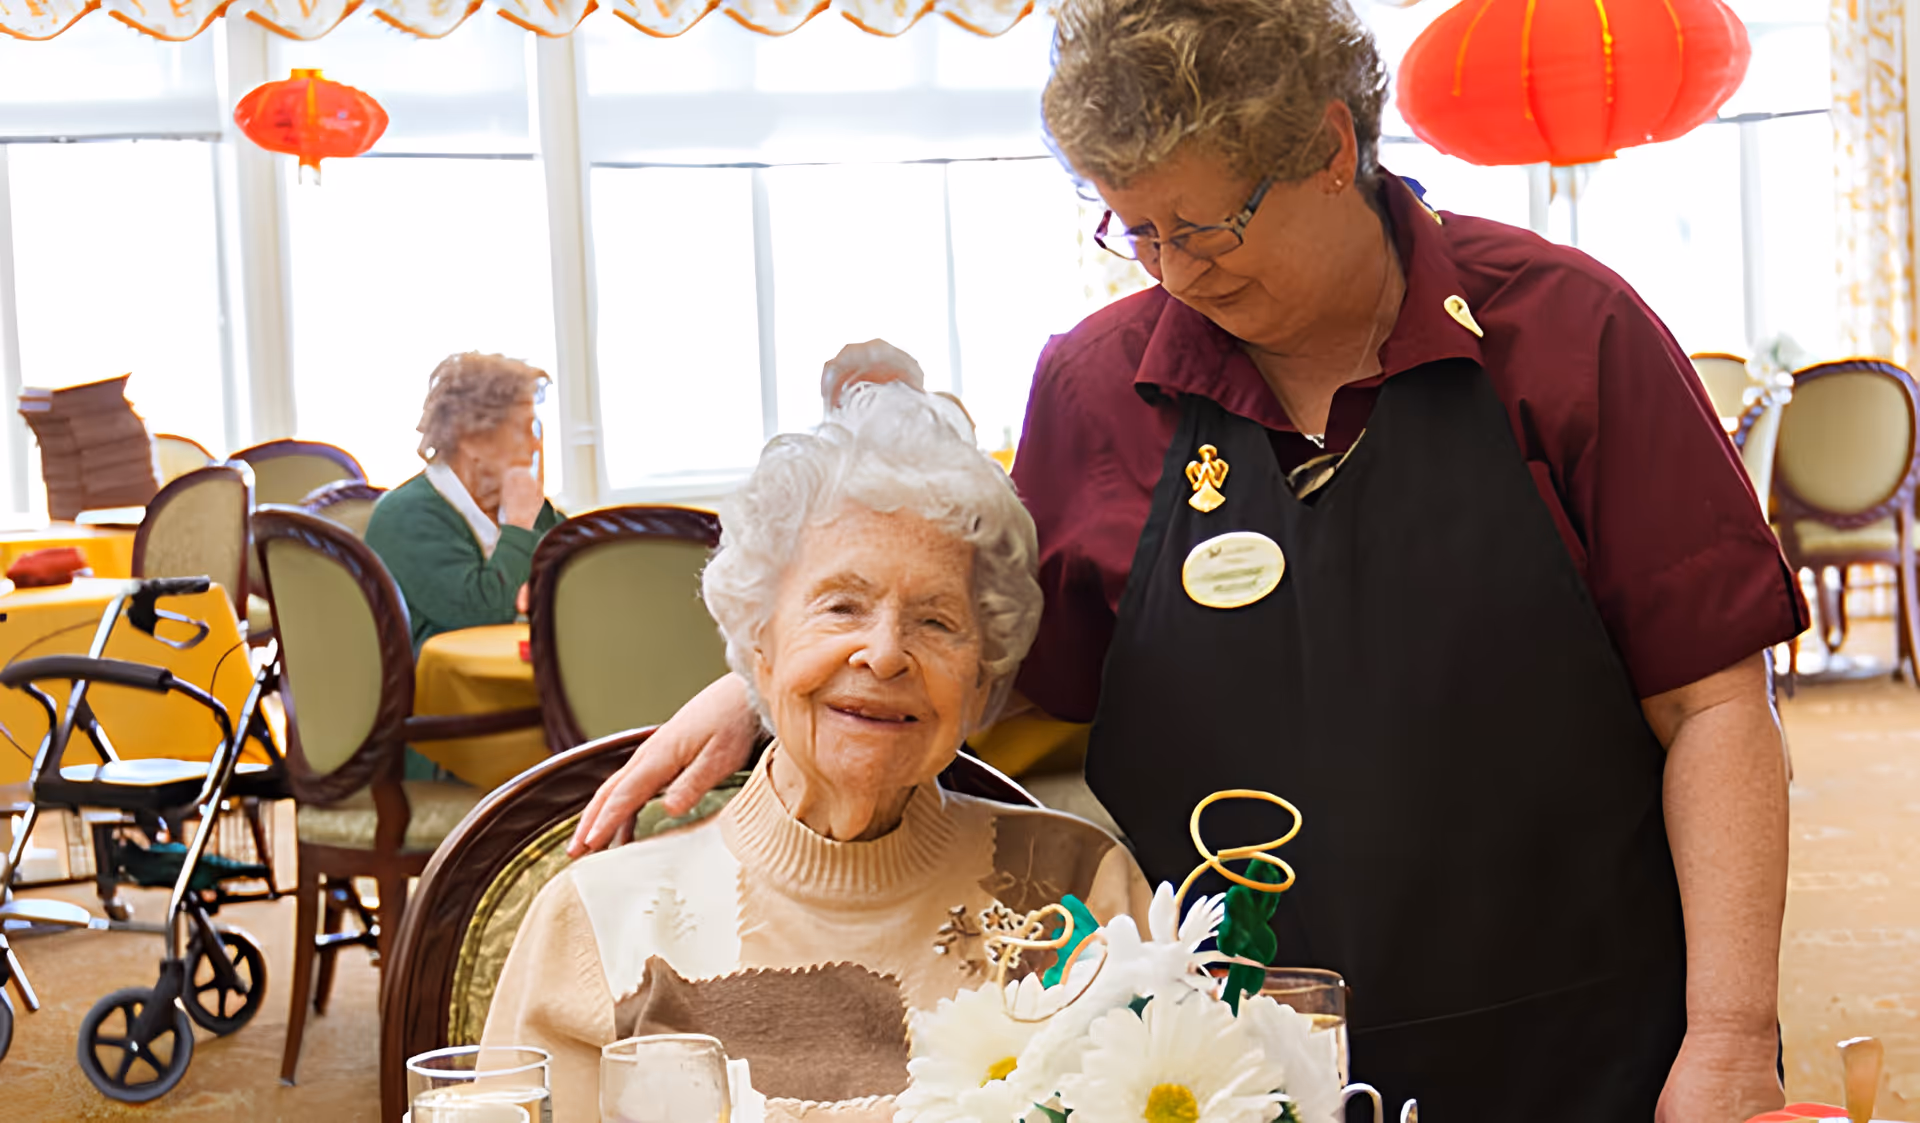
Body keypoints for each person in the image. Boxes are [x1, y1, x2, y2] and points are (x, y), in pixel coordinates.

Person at [570, 0, 1805, 1116]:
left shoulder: (1567, 332)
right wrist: (772, 678)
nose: (1172, 270)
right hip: (1214, 1063)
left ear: (1332, 149)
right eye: (1135, 227)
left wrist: (1733, 1034)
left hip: (1582, 1032)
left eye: (1204, 225)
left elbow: (1712, 706)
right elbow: (993, 649)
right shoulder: (1099, 384)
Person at [484, 383, 1150, 1123]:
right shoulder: (603, 921)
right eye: (842, 605)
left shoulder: (1080, 889)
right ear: (757, 643)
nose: (886, 652)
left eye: (936, 620)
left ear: (983, 673)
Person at [364, 352, 560, 649]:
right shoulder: (406, 516)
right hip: (450, 690)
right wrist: (520, 525)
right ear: (473, 439)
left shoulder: (517, 504)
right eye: (524, 430)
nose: (535, 446)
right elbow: (484, 614)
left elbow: (581, 577)